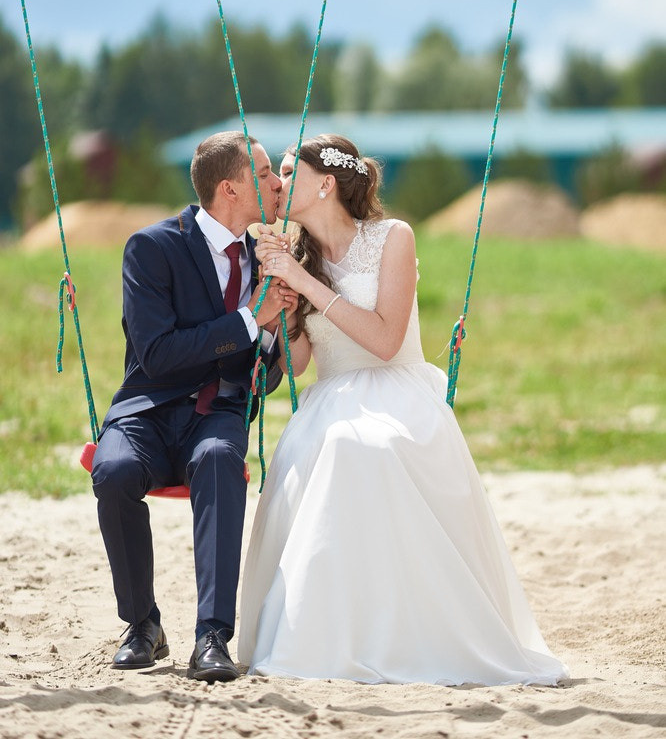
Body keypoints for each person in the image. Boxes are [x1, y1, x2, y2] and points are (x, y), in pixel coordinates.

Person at [238, 134, 569, 686]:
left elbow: (386, 341)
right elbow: (297, 365)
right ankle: (329, 634)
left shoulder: (393, 237)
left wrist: (304, 285)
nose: (279, 182)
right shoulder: (293, 256)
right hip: (330, 397)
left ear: (326, 184)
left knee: (364, 446)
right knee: (328, 447)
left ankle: (407, 633)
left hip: (396, 389)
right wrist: (280, 307)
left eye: (291, 171)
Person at [92, 131, 297, 684]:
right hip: (146, 411)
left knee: (220, 460)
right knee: (113, 472)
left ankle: (212, 637)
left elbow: (263, 378)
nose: (277, 184)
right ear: (230, 189)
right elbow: (157, 355)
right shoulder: (152, 248)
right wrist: (250, 319)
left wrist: (272, 330)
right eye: (264, 174)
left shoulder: (264, 260)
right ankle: (143, 624)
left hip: (217, 415)